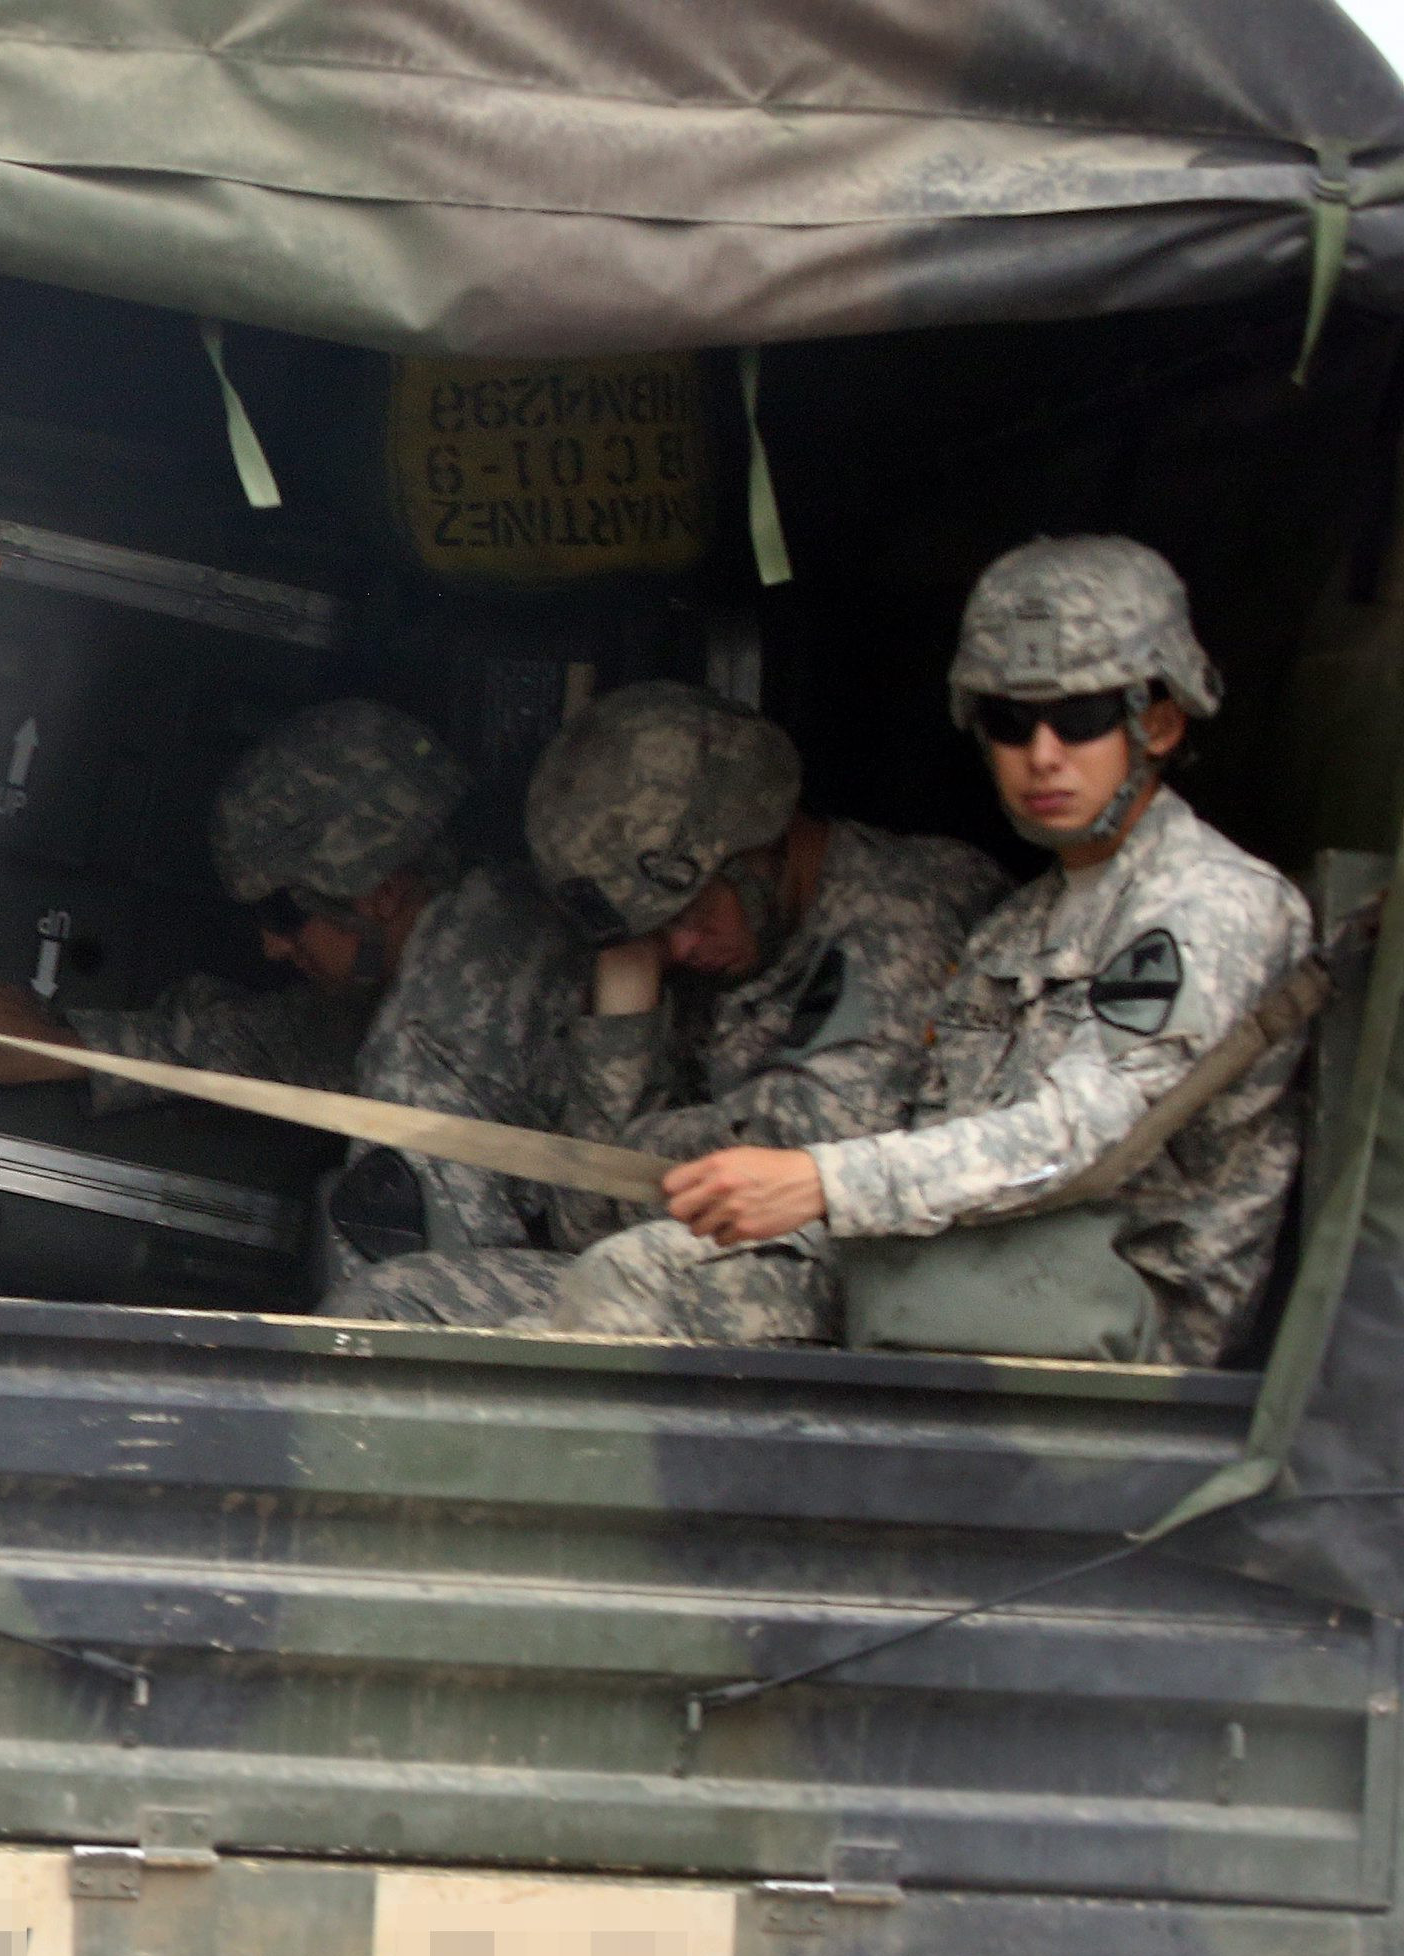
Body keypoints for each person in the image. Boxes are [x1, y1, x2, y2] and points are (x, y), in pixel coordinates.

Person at [534, 538, 1314, 1363]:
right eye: (1010, 721)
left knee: (641, 1287)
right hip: (965, 1287)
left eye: (1080, 717)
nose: (1042, 754)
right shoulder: (1017, 926)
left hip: (1112, 1346)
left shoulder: (1213, 904)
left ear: (1157, 721)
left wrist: (824, 1182)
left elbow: (1086, 1136)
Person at [336, 682, 1003, 1326]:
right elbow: (587, 1213)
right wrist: (625, 1010)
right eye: (653, 932)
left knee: (602, 1309)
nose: (680, 946)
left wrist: (650, 1148)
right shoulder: (703, 961)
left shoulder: (906, 907)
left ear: (755, 842)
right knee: (390, 1304)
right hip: (668, 1274)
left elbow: (795, 1156)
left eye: (689, 909)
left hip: (846, 1288)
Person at [0, 698, 467, 1110]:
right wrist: (66, 1049)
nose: (271, 945)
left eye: (286, 915)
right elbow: (276, 1045)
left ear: (381, 892)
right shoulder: (400, 991)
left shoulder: (477, 1013)